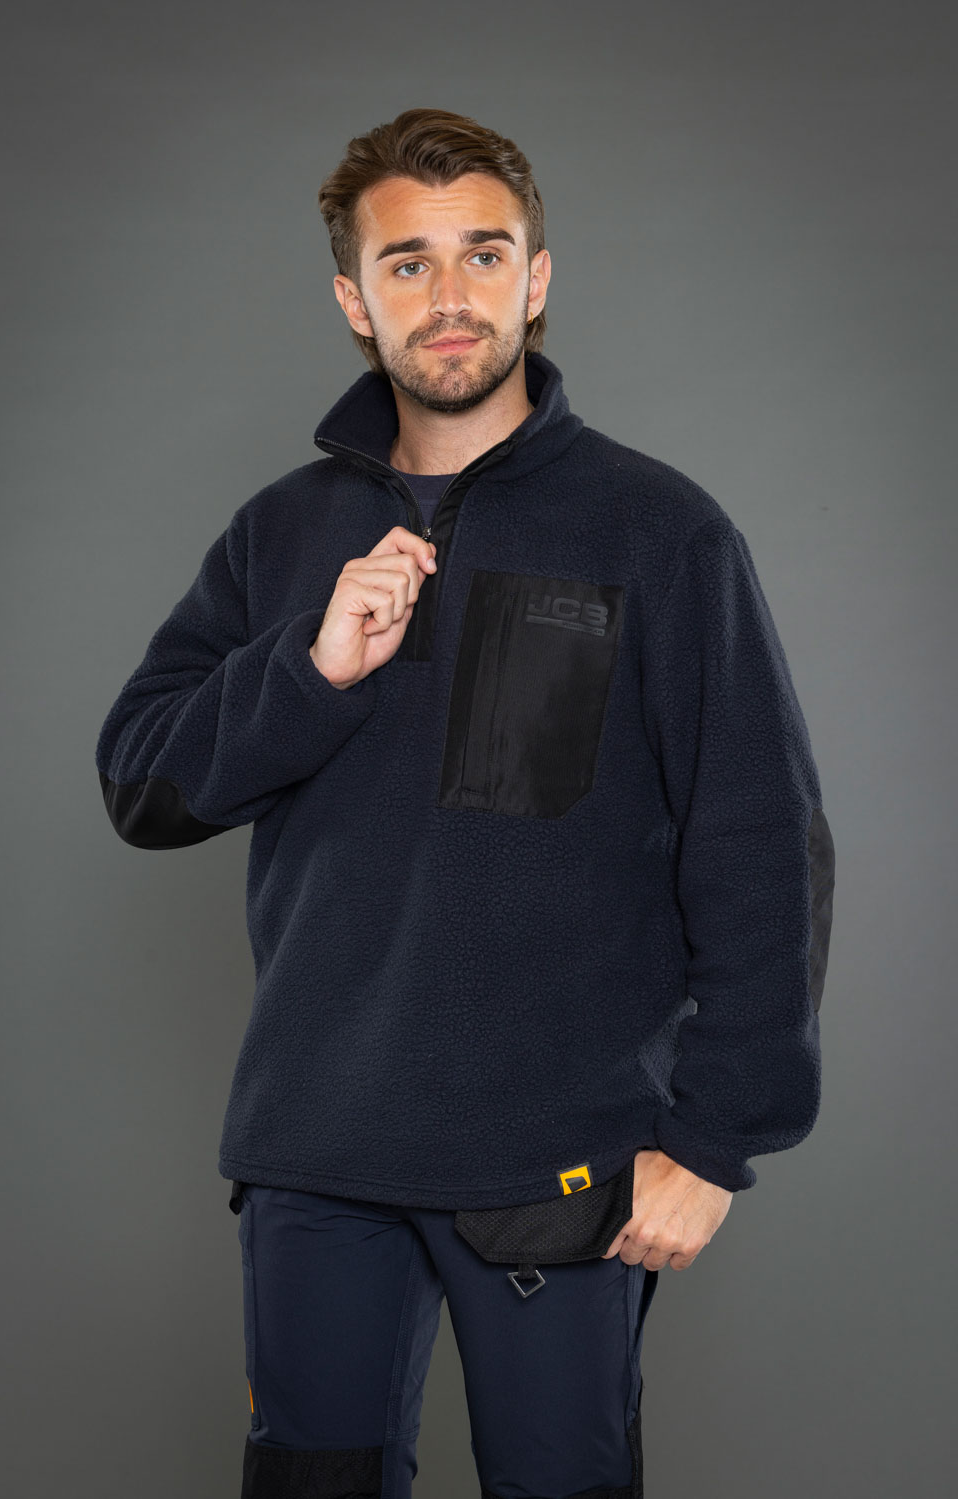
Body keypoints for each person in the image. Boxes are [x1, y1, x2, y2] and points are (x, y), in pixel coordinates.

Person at [95, 107, 835, 1499]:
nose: (450, 295)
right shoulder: (278, 535)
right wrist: (311, 667)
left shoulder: (661, 531)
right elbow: (142, 782)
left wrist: (717, 1139)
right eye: (409, 263)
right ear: (353, 301)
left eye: (483, 255)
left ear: (535, 278)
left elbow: (762, 844)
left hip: (559, 1162)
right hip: (317, 1152)